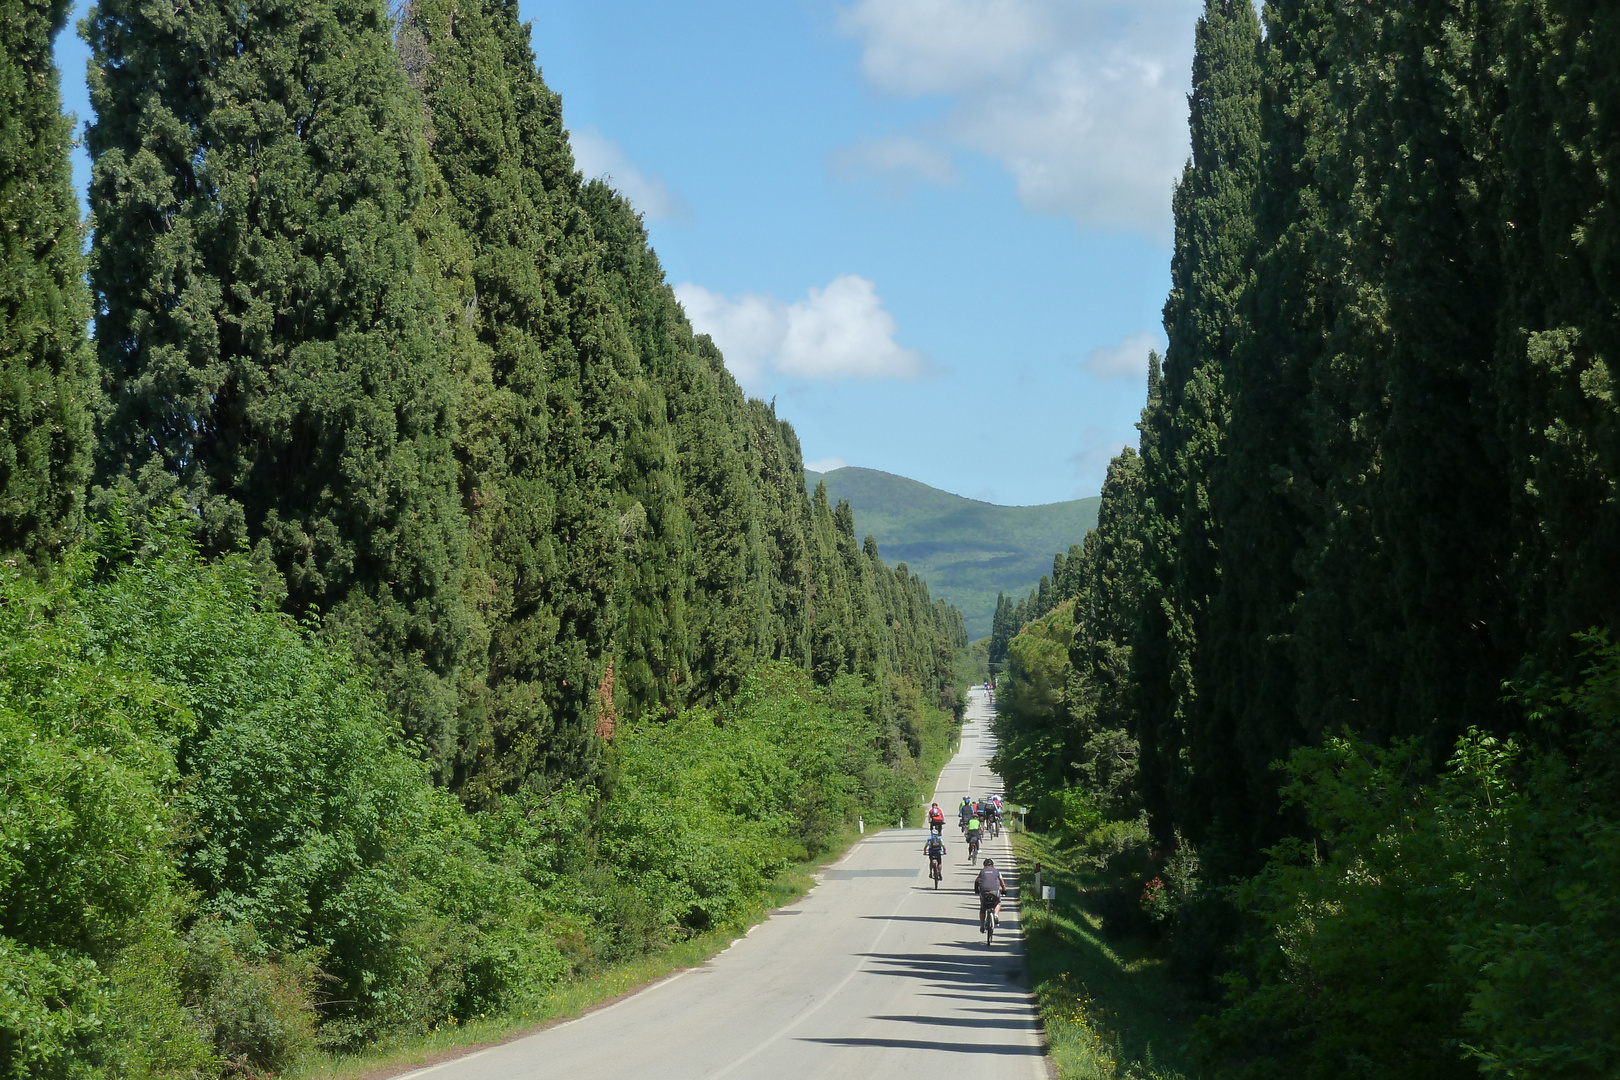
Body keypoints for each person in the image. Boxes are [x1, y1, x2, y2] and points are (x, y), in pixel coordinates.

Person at [974, 858, 1006, 932]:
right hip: (994, 891)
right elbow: (1002, 882)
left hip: (984, 891)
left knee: (983, 907)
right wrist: (1004, 890)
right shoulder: (997, 871)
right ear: (993, 865)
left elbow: (976, 881)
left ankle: (982, 926)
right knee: (998, 902)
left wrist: (976, 890)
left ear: (984, 865)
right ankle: (996, 915)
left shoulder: (982, 871)